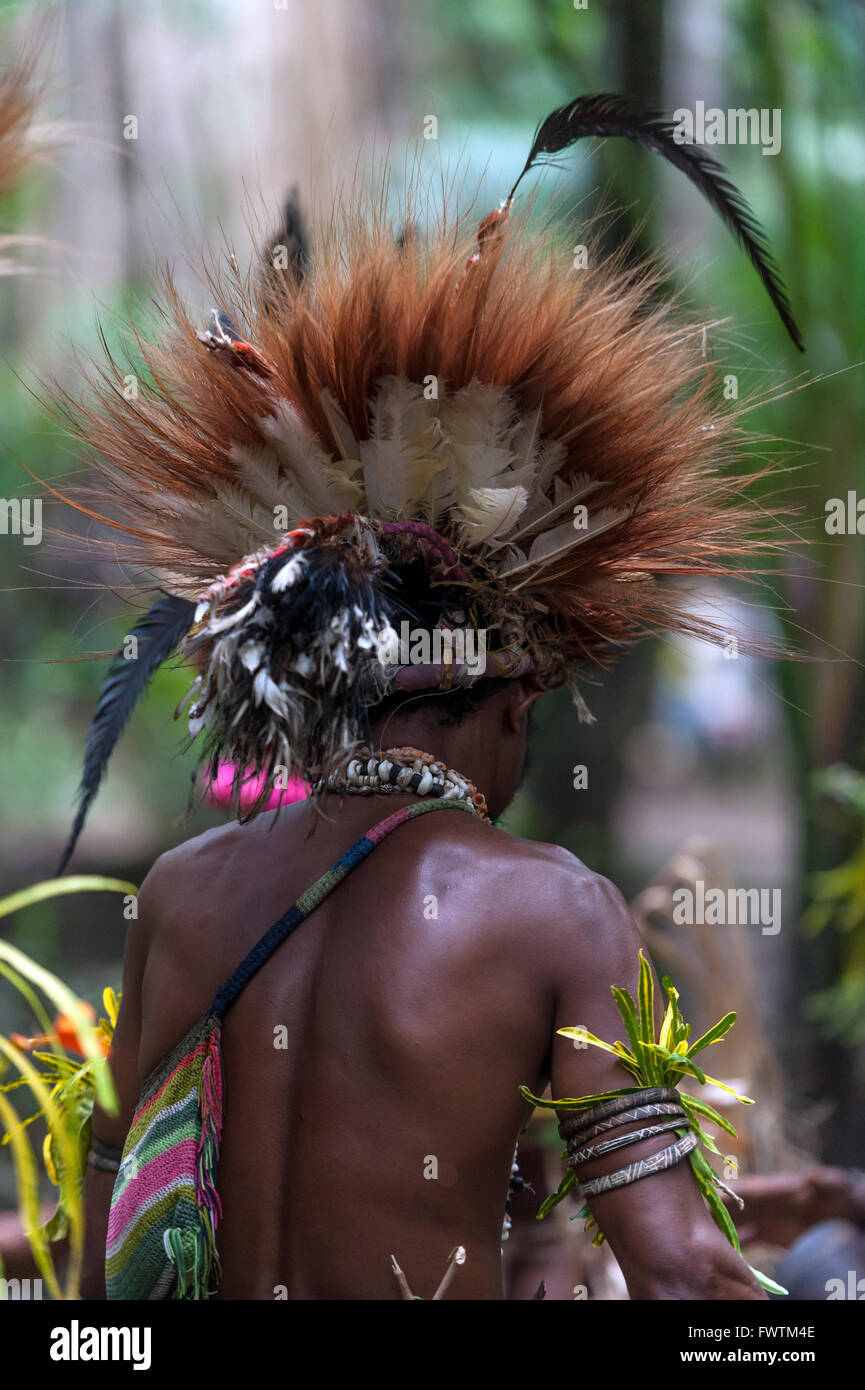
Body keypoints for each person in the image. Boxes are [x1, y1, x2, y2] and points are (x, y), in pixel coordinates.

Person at [65, 95, 802, 1299]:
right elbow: (677, 1280)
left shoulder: (181, 896)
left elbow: (112, 1260)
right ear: (510, 698)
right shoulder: (557, 910)